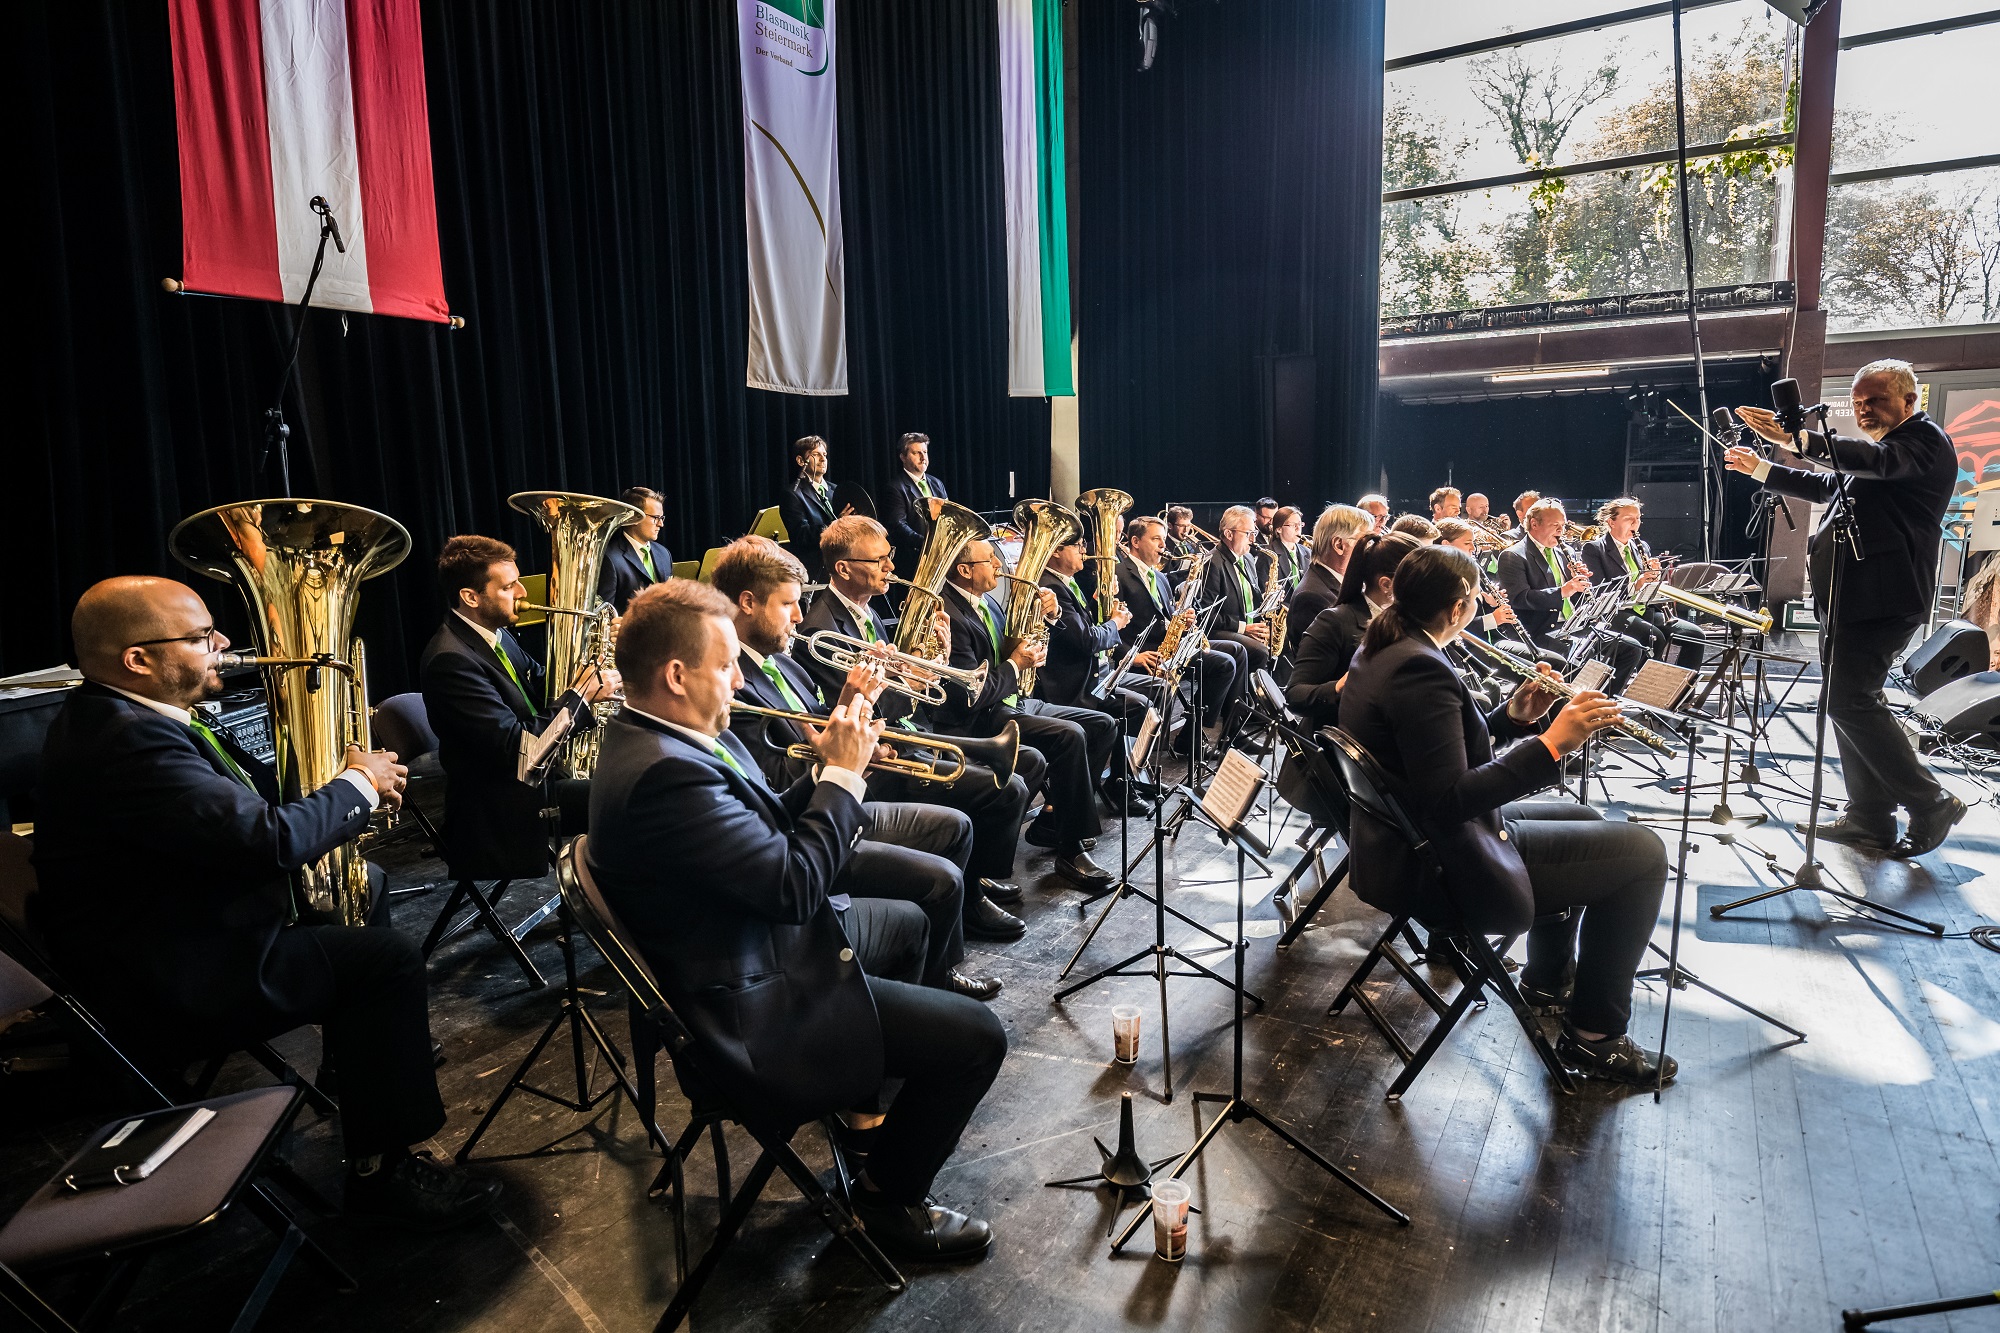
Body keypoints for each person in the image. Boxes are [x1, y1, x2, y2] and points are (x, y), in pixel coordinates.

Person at [33, 577, 501, 1227]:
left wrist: (342, 783)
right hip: (174, 973)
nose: (223, 644)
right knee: (386, 960)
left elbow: (238, 812)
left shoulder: (119, 718)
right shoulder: (126, 741)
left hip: (180, 928)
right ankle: (385, 1176)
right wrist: (358, 784)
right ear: (136, 659)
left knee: (366, 884)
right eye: (200, 636)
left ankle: (355, 1068)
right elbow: (267, 839)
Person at [587, 579, 1006, 1259]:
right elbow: (793, 888)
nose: (734, 679)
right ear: (675, 673)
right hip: (752, 1017)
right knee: (980, 1037)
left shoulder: (659, 738)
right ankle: (885, 1198)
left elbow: (762, 827)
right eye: (725, 666)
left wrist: (829, 768)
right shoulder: (667, 772)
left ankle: (869, 1110)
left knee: (908, 923)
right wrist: (841, 779)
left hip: (742, 952)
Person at [1339, 544, 1675, 1085]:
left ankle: (1547, 979)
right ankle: (1595, 1035)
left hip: (1420, 841)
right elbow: (1450, 797)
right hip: (1444, 863)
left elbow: (1437, 754)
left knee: (1583, 815)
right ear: (1457, 608)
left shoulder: (1387, 648)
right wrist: (1551, 745)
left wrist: (1514, 717)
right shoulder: (1419, 669)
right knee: (1644, 854)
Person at [712, 537, 1010, 994]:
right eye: (789, 604)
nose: (798, 616)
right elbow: (772, 784)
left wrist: (859, 708)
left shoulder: (786, 666)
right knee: (944, 876)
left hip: (838, 794)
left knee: (957, 828)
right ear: (747, 603)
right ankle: (927, 982)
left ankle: (940, 967)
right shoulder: (734, 684)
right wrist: (846, 749)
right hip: (811, 823)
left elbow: (824, 730)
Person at [1726, 358, 1964, 856]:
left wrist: (1800, 441)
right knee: (1847, 699)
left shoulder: (1922, 443)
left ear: (1909, 400)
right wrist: (1762, 468)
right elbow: (1826, 485)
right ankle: (1870, 818)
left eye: (1874, 400)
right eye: (1857, 403)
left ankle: (1931, 801)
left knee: (1851, 700)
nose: (1863, 410)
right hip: (1854, 596)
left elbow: (1872, 463)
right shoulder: (1883, 451)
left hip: (1884, 598)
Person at [797, 515, 1043, 916]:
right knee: (1007, 789)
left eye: (888, 557)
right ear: (843, 568)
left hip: (905, 733)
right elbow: (870, 704)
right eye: (879, 561)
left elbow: (896, 683)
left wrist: (934, 662)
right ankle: (970, 899)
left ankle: (974, 879)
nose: (891, 568)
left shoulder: (866, 611)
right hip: (885, 752)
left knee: (1015, 775)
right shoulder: (819, 629)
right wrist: (914, 684)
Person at [421, 536, 621, 894]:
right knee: (627, 799)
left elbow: (545, 687)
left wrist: (601, 656)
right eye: (509, 585)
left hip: (538, 780)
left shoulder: (495, 635)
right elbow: (522, 753)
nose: (521, 592)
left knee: (632, 776)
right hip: (503, 804)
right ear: (471, 597)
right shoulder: (451, 660)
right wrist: (581, 696)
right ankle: (608, 902)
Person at [932, 537, 1116, 888]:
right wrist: (1017, 665)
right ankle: (1070, 849)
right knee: (1070, 735)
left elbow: (1009, 649)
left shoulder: (986, 602)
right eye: (991, 561)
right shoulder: (950, 613)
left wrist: (1048, 618)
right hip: (983, 716)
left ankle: (1054, 820)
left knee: (1102, 725)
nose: (1000, 567)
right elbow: (974, 693)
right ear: (965, 570)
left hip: (1013, 700)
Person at [1039, 529, 1153, 811]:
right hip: (1068, 685)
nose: (1084, 550)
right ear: (1055, 551)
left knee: (1141, 704)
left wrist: (1099, 601)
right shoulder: (1049, 586)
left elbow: (1080, 628)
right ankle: (1102, 790)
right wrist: (1115, 623)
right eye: (1078, 546)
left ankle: (1122, 780)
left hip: (1089, 677)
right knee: (1130, 710)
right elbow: (1086, 640)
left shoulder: (1065, 583)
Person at [1116, 514, 1243, 751]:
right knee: (1224, 662)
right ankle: (1168, 742)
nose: (1164, 546)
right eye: (1156, 540)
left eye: (1164, 539)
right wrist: (1132, 656)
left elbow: (1166, 617)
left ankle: (1191, 734)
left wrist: (1183, 620)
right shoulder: (1119, 574)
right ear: (1135, 541)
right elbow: (1110, 623)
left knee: (1227, 662)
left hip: (1170, 650)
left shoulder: (1161, 577)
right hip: (1147, 654)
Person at [1494, 499, 1645, 692]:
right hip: (1541, 630)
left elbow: (1575, 599)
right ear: (1534, 524)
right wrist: (1563, 590)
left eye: (1563, 525)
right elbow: (1519, 599)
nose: (1561, 531)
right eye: (1555, 525)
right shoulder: (1513, 555)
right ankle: (1572, 706)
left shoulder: (1565, 552)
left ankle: (1605, 700)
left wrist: (1579, 585)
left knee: (1631, 648)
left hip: (1572, 626)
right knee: (1575, 659)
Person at [1285, 534, 1418, 730]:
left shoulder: (1411, 618)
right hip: (1343, 742)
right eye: (1418, 581)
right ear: (1386, 584)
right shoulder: (1334, 621)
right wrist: (1340, 687)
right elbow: (1296, 695)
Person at [1580, 498, 1705, 671]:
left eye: (1638, 518)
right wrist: (1636, 585)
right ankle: (1645, 691)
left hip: (1644, 609)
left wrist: (1655, 577)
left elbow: (1648, 585)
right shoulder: (1593, 549)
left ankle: (1681, 691)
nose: (1636, 523)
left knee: (1693, 634)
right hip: (1615, 613)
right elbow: (1600, 591)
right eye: (1629, 519)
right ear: (1611, 522)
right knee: (1654, 637)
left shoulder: (1642, 546)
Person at [1198, 505, 1275, 678]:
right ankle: (1240, 700)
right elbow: (1206, 615)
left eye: (1254, 532)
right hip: (1219, 631)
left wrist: (1269, 598)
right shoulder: (1212, 563)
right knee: (1260, 651)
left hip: (1245, 627)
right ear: (1229, 534)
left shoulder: (1247, 559)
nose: (1253, 539)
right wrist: (1244, 628)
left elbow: (1251, 597)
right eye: (1248, 533)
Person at [1290, 504, 1373, 631]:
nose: (1370, 548)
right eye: (1366, 542)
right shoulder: (1311, 597)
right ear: (1339, 545)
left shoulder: (1341, 581)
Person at [779, 435, 851, 580]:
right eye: (815, 455)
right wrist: (837, 525)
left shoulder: (836, 490)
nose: (823, 459)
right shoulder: (792, 494)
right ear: (800, 461)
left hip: (844, 564)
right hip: (816, 570)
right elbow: (801, 535)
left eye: (824, 454)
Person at [599, 486, 675, 613]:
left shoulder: (664, 553)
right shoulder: (609, 558)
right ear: (634, 517)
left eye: (662, 518)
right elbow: (606, 615)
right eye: (655, 517)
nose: (661, 524)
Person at [882, 432, 948, 573]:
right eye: (916, 453)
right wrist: (926, 542)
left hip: (942, 558)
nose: (923, 457)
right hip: (914, 561)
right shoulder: (895, 488)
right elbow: (898, 526)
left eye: (925, 452)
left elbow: (948, 517)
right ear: (903, 457)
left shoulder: (937, 483)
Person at [1267, 506, 1307, 594]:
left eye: (1300, 524)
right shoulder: (1268, 555)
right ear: (1279, 529)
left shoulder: (1308, 552)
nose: (1298, 529)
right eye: (1293, 525)